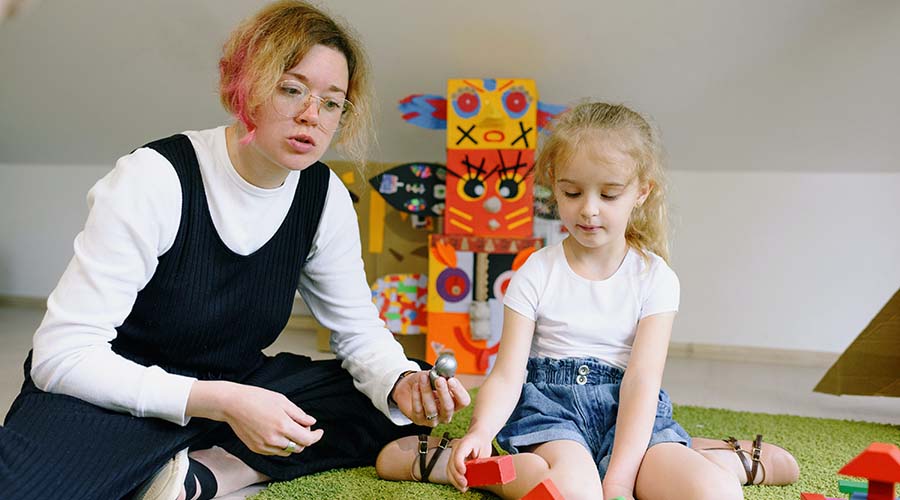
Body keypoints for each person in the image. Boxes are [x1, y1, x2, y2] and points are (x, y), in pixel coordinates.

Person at [0, 2, 470, 499]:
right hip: (122, 385)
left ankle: (210, 474)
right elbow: (61, 355)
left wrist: (399, 382)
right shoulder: (155, 176)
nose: (312, 115)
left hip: (238, 382)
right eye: (292, 90)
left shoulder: (323, 194)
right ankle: (195, 455)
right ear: (244, 87)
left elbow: (357, 331)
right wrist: (220, 402)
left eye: (332, 102)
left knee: (379, 398)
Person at [375, 102, 799, 499]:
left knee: (717, 493)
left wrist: (620, 479)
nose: (589, 210)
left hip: (633, 419)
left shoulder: (656, 278)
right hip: (553, 416)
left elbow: (641, 383)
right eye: (572, 192)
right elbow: (507, 375)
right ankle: (461, 461)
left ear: (641, 192)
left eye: (609, 195)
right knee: (576, 493)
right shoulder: (535, 272)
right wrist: (481, 432)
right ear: (554, 188)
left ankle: (722, 456)